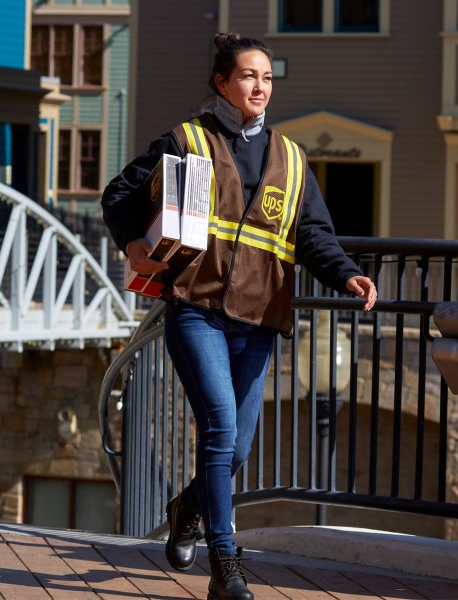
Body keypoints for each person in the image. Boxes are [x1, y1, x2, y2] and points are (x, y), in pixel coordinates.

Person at [101, 33, 377, 600]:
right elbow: (120, 194)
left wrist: (347, 272)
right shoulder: (187, 141)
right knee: (221, 428)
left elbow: (313, 236)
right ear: (222, 83)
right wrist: (132, 244)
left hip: (259, 319)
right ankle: (226, 564)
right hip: (196, 308)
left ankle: (187, 507)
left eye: (268, 78)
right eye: (249, 76)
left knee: (239, 449)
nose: (260, 87)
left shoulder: (293, 159)